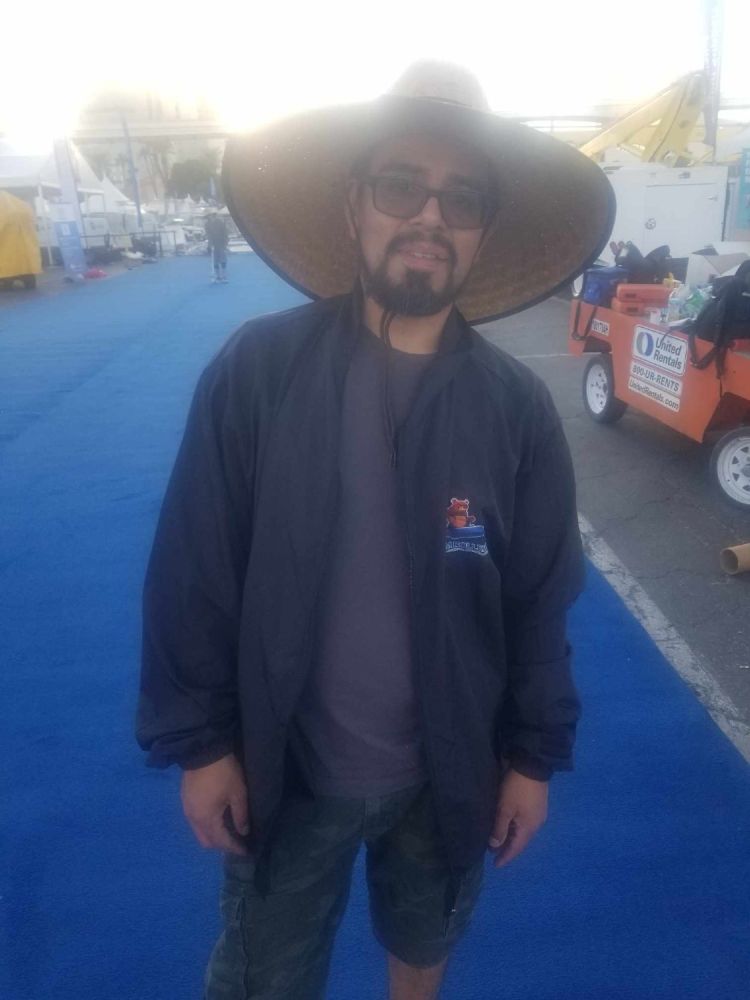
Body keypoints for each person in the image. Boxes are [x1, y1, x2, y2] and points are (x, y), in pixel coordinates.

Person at [136, 61, 614, 1000]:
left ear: (482, 232)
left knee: (422, 957)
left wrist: (530, 759)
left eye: (462, 199)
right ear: (354, 205)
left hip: (450, 769)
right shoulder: (258, 372)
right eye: (402, 185)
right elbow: (193, 570)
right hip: (288, 770)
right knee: (264, 981)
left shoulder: (515, 407)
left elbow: (538, 600)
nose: (430, 216)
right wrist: (202, 746)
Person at [205, 208, 229, 283]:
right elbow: (208, 235)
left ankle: (224, 276)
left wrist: (225, 244)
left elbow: (225, 233)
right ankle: (218, 277)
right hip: (213, 244)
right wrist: (210, 245)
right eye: (209, 215)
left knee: (223, 259)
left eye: (213, 215)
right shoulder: (207, 224)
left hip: (221, 243)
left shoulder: (221, 222)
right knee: (215, 261)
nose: (211, 216)